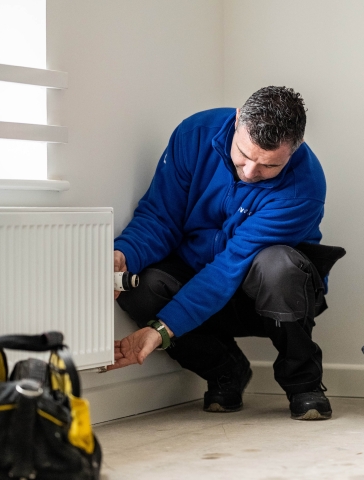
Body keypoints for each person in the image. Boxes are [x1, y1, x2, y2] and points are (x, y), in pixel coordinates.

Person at [109, 86, 345, 420]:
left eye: (268, 166)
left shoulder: (304, 188)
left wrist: (161, 330)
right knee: (140, 285)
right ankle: (225, 370)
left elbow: (228, 268)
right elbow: (161, 217)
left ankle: (304, 383)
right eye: (244, 155)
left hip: (266, 299)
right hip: (197, 281)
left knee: (279, 266)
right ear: (237, 122)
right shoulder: (194, 135)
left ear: (294, 150)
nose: (249, 173)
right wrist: (124, 254)